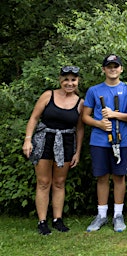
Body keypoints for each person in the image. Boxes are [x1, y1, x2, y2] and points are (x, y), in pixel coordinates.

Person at [22, 66, 84, 235]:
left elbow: (79, 129)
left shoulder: (80, 103)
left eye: (73, 80)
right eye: (66, 79)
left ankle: (58, 219)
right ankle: (42, 221)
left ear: (77, 82)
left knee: (59, 182)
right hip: (44, 141)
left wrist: (77, 152)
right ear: (60, 80)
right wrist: (28, 140)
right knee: (43, 182)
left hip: (66, 143)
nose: (69, 83)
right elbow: (34, 117)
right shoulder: (48, 95)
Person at [82, 54, 127, 232]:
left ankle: (118, 215)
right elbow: (85, 116)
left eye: (116, 66)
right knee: (102, 177)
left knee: (119, 177)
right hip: (99, 141)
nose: (113, 69)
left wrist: (114, 115)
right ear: (104, 69)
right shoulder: (94, 91)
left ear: (121, 69)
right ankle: (102, 215)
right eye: (109, 66)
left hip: (122, 140)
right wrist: (98, 123)